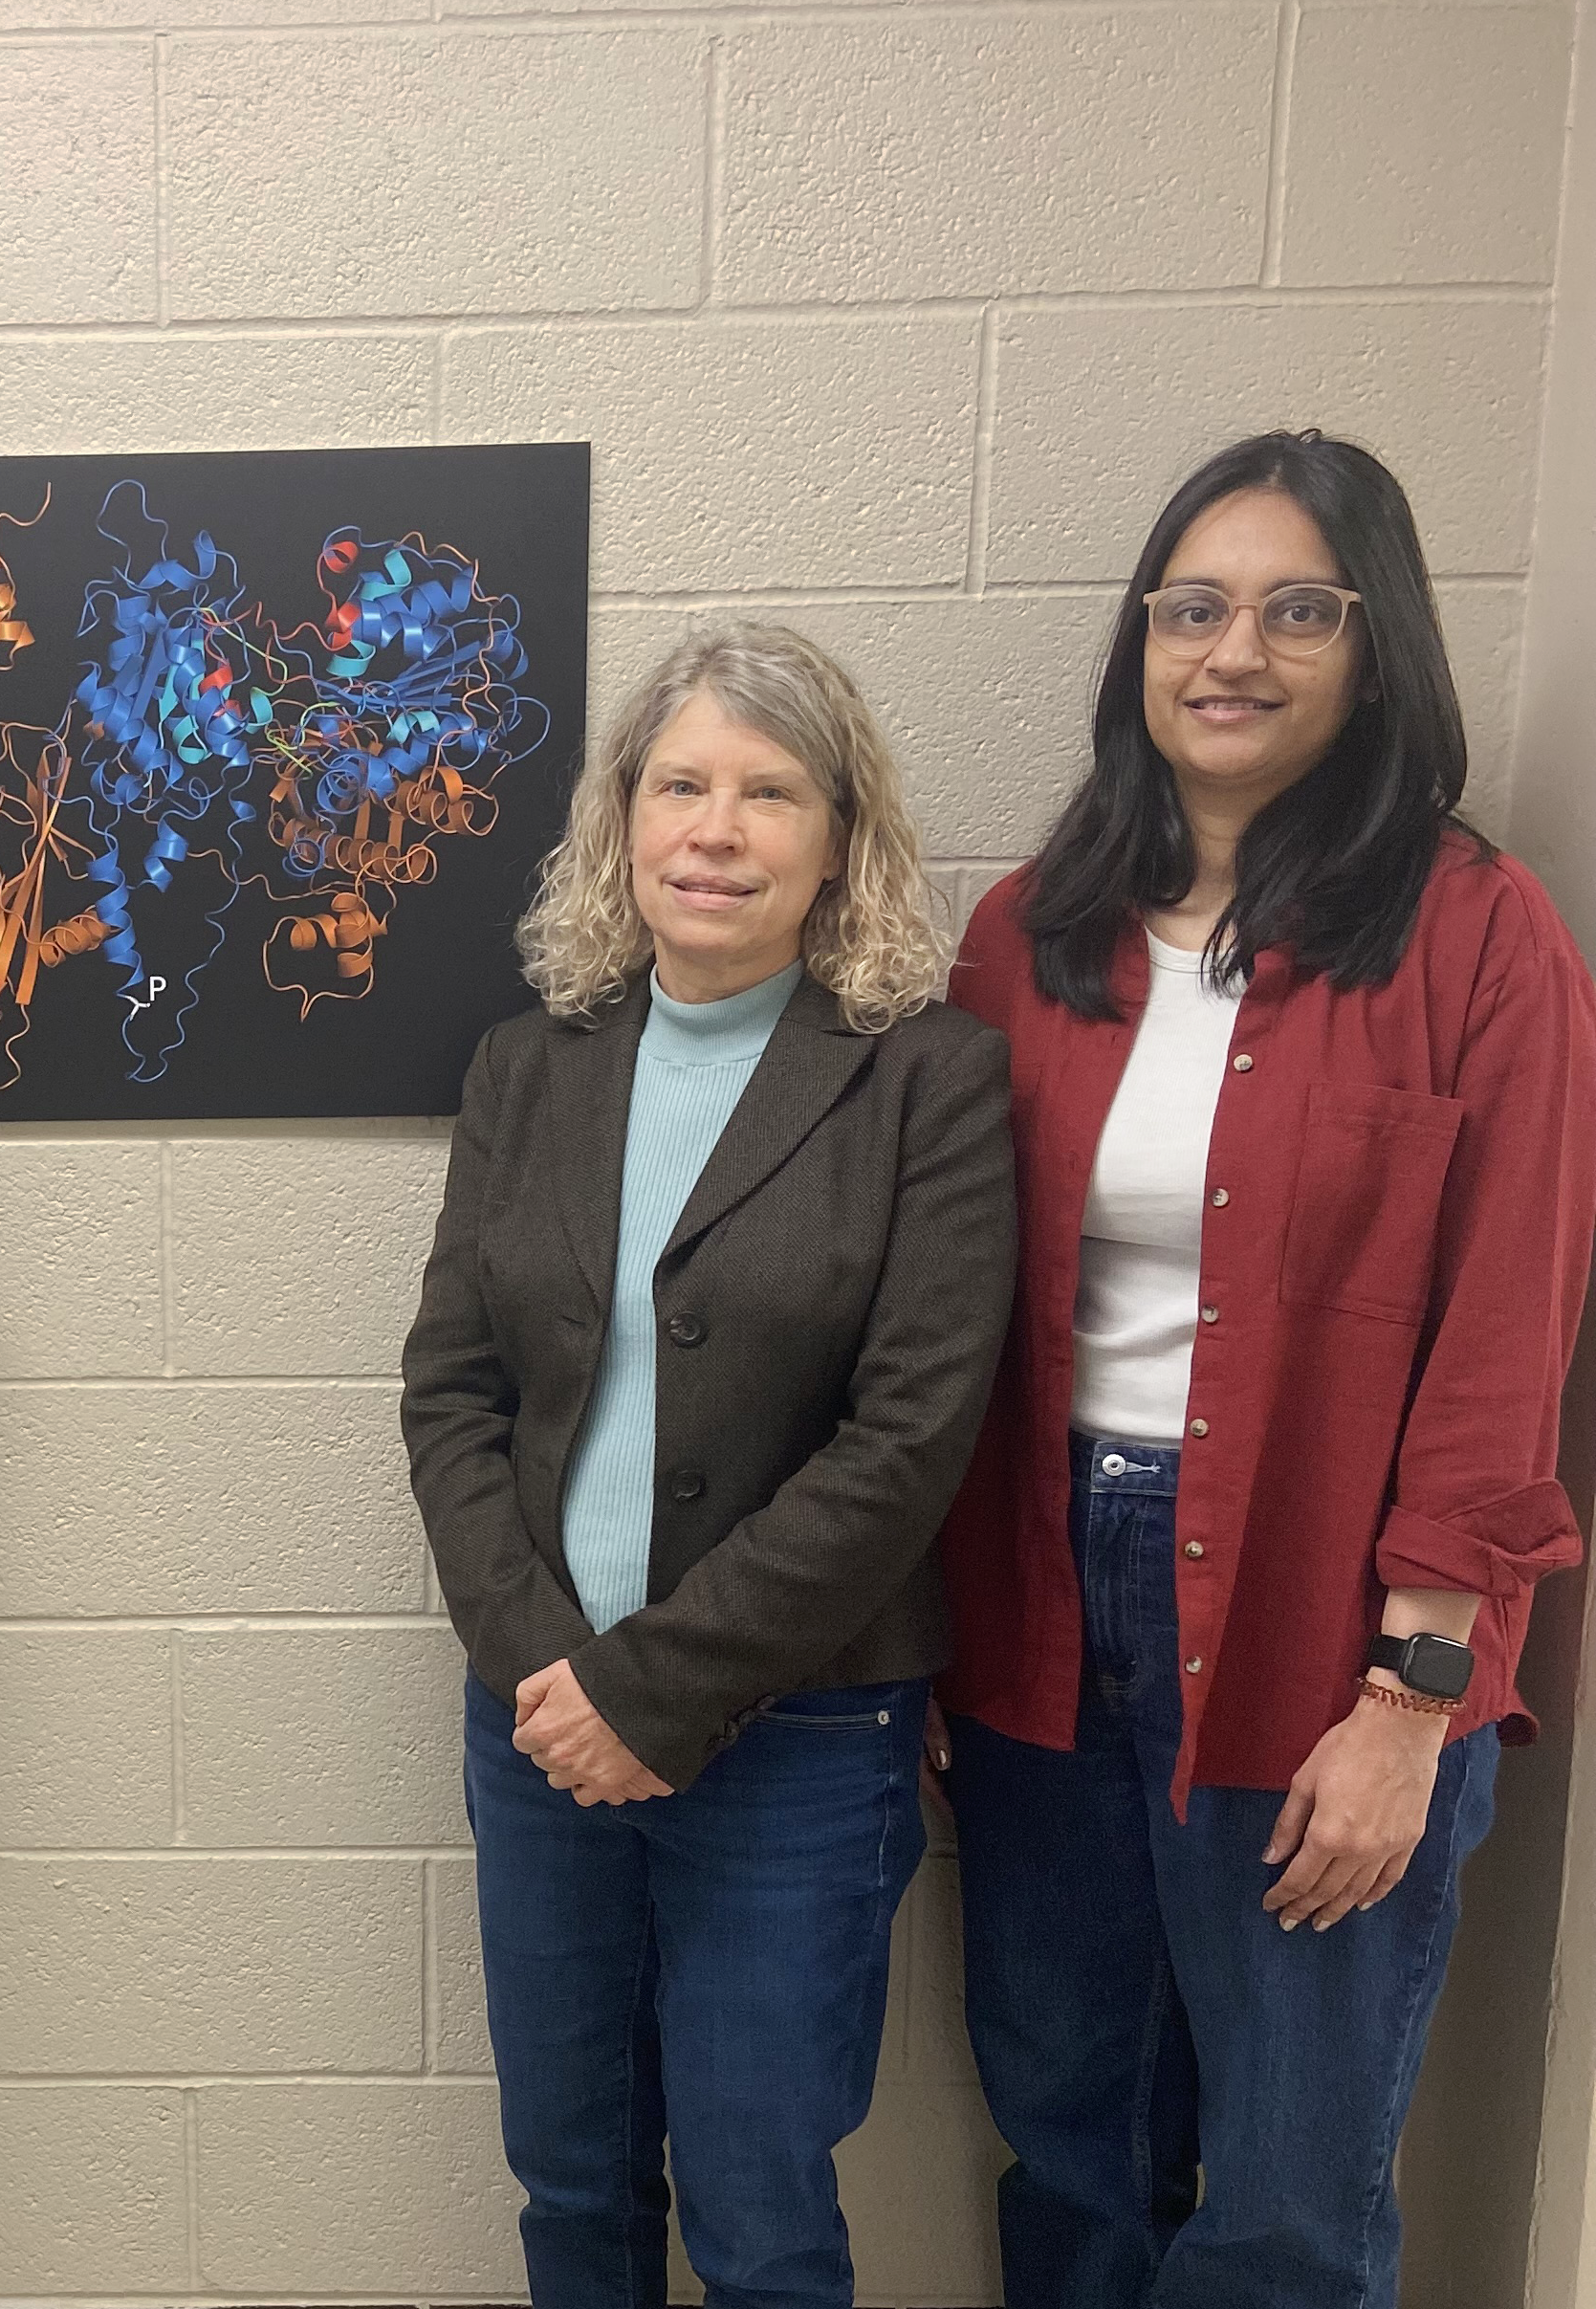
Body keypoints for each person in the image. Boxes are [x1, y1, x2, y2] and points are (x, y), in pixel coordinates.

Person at [938, 429, 1596, 2306]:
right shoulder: (1029, 933)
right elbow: (952, 1322)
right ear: (1142, 641)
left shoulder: (1480, 941)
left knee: (1293, 2195)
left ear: (1375, 647)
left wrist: (1411, 1700)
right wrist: (925, 1631)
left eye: (1298, 609)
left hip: (1324, 1619)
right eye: (1197, 606)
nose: (1235, 649)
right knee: (1067, 2138)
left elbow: (1502, 1354)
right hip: (1044, 1615)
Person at [401, 623, 1016, 2309]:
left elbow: (910, 1443)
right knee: (573, 2177)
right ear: (620, 819)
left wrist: (653, 1693)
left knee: (758, 2201)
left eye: (768, 790)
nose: (715, 829)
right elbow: (451, 1389)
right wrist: (543, 1664)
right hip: (535, 1718)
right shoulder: (529, 1066)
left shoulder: (928, 1080)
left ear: (841, 833)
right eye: (679, 784)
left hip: (800, 1735)